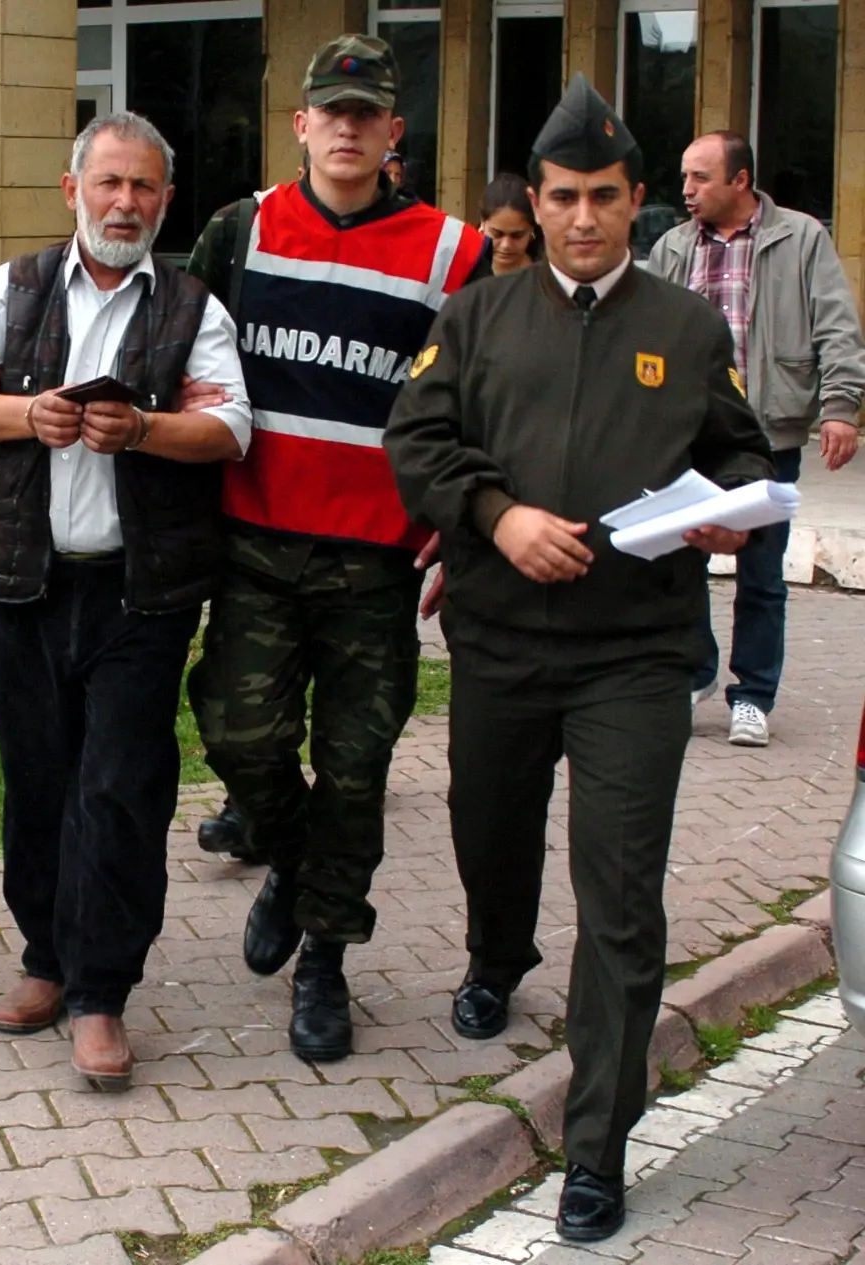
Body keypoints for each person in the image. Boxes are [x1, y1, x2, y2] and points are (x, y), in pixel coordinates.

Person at [384, 76, 773, 1242]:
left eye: (605, 195)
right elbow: (417, 441)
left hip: (635, 654)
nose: (584, 217)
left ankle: (597, 1145)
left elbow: (744, 458)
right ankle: (496, 953)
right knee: (489, 829)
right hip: (500, 641)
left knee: (621, 895)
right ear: (537, 202)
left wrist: (731, 516)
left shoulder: (687, 329)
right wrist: (497, 515)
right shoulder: (477, 318)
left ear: (638, 199)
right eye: (563, 197)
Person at [0, 112, 251, 1092]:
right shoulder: (13, 288)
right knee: (37, 779)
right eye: (109, 182)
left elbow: (232, 427)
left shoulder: (193, 306)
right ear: (72, 190)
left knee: (119, 786)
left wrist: (145, 428)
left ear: (166, 200)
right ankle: (45, 958)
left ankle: (101, 990)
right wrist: (27, 413)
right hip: (26, 583)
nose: (124, 203)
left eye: (143, 186)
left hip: (140, 592)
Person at [186, 35, 490, 1065]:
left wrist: (463, 515)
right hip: (257, 549)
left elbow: (483, 401)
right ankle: (289, 852)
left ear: (393, 130)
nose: (348, 129)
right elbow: (176, 356)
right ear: (302, 124)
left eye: (367, 115)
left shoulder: (454, 253)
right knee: (240, 737)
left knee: (356, 771)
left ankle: (325, 956)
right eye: (332, 112)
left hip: (375, 564)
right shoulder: (240, 231)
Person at [648, 132, 865, 747]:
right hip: (687, 435)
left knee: (762, 574)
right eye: (684, 177)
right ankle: (695, 674)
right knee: (679, 565)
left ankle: (753, 696)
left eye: (700, 178)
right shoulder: (672, 248)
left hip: (768, 434)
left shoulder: (802, 238)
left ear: (740, 180)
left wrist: (840, 407)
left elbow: (837, 325)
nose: (686, 191)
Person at [480, 172, 540, 275]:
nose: (506, 245)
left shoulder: (547, 278)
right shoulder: (462, 271)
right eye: (497, 234)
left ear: (531, 229)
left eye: (517, 236)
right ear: (483, 223)